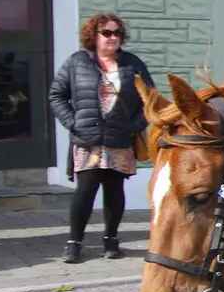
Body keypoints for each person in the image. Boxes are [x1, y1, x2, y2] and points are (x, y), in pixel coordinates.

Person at [48, 14, 155, 263]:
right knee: (85, 190)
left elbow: (149, 100)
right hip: (87, 139)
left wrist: (134, 125)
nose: (113, 37)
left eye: (117, 33)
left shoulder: (132, 64)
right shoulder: (77, 62)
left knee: (115, 190)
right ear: (93, 36)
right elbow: (56, 95)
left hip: (119, 138)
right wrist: (73, 122)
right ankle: (74, 243)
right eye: (107, 32)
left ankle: (111, 240)